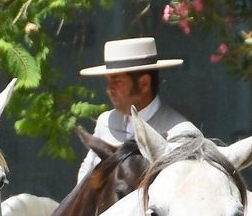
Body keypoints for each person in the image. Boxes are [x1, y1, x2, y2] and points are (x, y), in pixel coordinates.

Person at [77, 37, 200, 180]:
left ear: (144, 84)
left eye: (117, 82)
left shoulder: (182, 134)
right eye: (108, 81)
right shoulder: (105, 122)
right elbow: (87, 170)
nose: (109, 90)